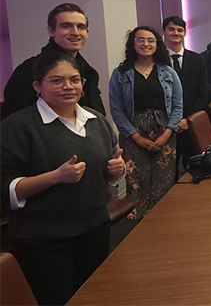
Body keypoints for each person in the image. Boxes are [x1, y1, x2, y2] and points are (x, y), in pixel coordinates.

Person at [0, 52, 125, 306]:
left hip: (95, 228)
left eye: (75, 80)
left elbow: (105, 171)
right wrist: (55, 177)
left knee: (95, 295)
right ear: (38, 86)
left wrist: (115, 171)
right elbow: (6, 189)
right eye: (57, 81)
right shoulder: (17, 127)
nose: (68, 86)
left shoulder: (95, 119)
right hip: (45, 239)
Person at [109, 26, 182, 221]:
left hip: (164, 132)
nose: (146, 44)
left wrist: (167, 134)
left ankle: (164, 221)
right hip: (133, 133)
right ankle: (140, 229)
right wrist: (136, 137)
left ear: (157, 44)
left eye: (151, 40)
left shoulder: (168, 72)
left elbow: (177, 105)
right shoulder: (120, 74)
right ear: (133, 44)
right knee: (136, 182)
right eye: (140, 40)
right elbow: (116, 109)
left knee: (163, 180)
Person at [0, 3, 105, 122]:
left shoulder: (89, 72)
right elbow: (10, 121)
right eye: (66, 26)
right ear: (51, 31)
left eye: (81, 27)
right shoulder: (29, 70)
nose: (75, 32)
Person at [162, 16, 209, 163]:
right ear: (163, 32)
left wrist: (188, 119)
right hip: (165, 124)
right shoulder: (156, 60)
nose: (175, 33)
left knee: (193, 163)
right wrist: (171, 122)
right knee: (169, 167)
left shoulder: (197, 59)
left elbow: (203, 92)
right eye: (171, 29)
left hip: (190, 120)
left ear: (184, 33)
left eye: (179, 30)